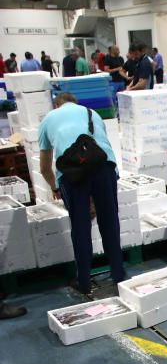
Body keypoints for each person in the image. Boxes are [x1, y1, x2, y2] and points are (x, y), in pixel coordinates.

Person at [38, 92, 125, 296]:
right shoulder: (92, 113)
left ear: (56, 104)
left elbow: (43, 167)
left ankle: (84, 282)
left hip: (72, 174)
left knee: (80, 227)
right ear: (75, 103)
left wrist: (54, 187)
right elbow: (105, 148)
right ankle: (119, 275)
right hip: (104, 168)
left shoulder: (48, 119)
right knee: (110, 222)